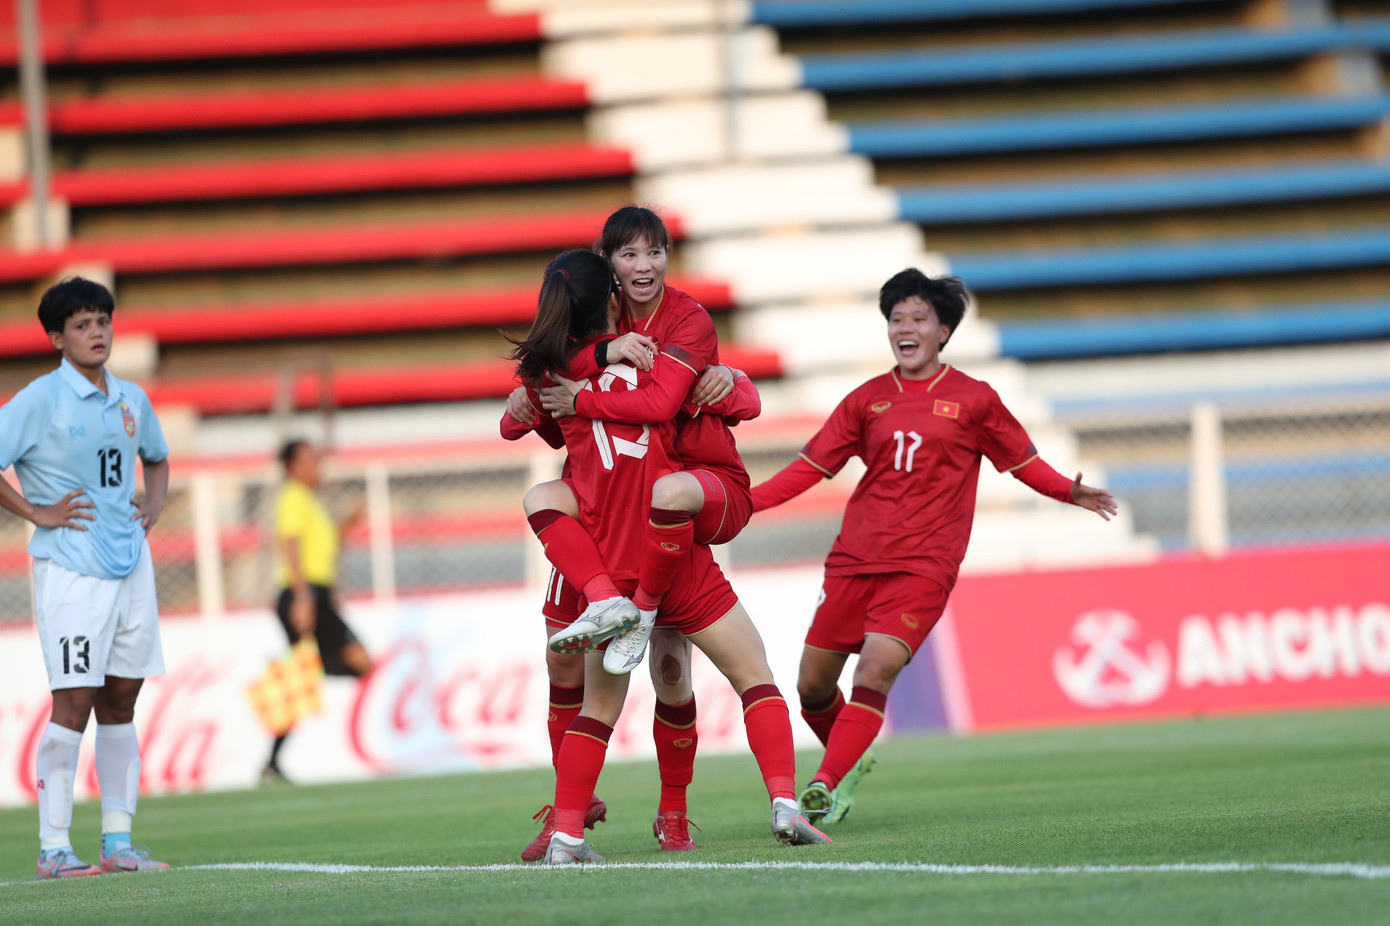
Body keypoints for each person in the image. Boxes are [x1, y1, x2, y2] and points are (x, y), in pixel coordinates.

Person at [752, 269, 1118, 826]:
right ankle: (850, 759)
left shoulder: (974, 399)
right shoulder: (867, 399)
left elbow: (1022, 463)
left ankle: (825, 783)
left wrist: (1069, 490)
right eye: (897, 318)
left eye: (918, 318)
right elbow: (808, 469)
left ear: (943, 330)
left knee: (873, 671)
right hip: (855, 557)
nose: (905, 328)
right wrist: (744, 504)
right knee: (811, 685)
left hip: (924, 565)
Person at [507, 248, 830, 864]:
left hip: (608, 557)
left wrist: (568, 387)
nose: (642, 268)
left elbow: (514, 420)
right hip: (669, 553)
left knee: (597, 707)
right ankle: (785, 803)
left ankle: (570, 835)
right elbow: (690, 404)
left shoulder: (552, 377)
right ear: (611, 297)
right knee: (753, 675)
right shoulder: (656, 363)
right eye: (627, 258)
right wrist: (731, 384)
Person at [0, 277, 171, 878]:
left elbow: (157, 456)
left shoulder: (130, 399)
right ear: (55, 338)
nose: (97, 332)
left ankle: (118, 843)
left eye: (103, 320)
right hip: (71, 569)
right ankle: (52, 848)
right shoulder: (40, 400)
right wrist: (37, 513)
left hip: (130, 566)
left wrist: (152, 505)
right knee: (73, 702)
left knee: (121, 699)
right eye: (81, 324)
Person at [537, 205, 756, 676]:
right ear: (606, 260)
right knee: (588, 671)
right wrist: (598, 353)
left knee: (686, 670)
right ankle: (612, 603)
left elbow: (690, 406)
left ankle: (644, 610)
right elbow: (537, 388)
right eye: (629, 254)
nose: (644, 265)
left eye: (654, 252)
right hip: (611, 502)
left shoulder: (685, 319)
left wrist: (736, 380)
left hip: (681, 490)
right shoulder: (596, 316)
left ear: (668, 256)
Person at [262, 439, 373, 783]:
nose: (317, 467)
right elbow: (289, 543)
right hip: (305, 594)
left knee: (337, 668)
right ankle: (272, 763)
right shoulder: (293, 497)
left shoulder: (310, 502)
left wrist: (350, 522)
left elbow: (327, 546)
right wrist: (302, 597)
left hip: (317, 594)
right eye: (310, 460)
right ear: (293, 467)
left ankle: (272, 763)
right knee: (354, 661)